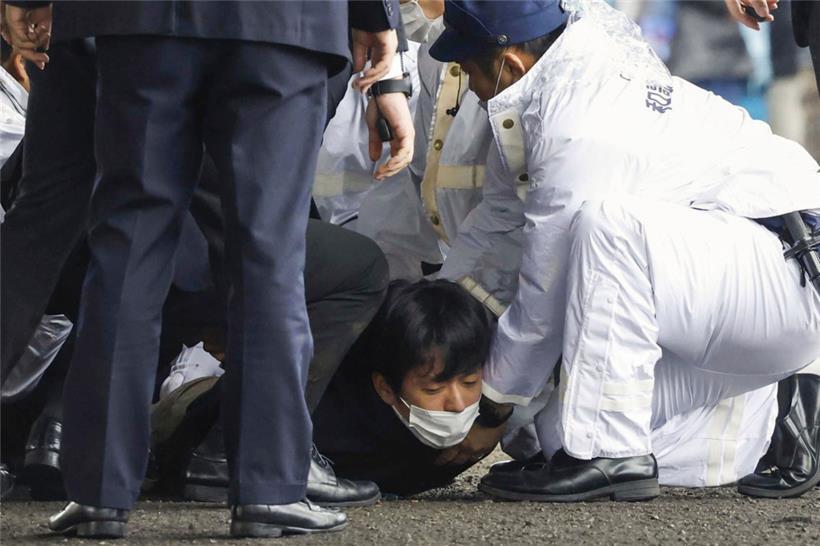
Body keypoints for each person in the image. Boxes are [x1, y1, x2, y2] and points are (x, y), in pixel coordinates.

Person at [4, 0, 413, 539]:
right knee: (268, 251)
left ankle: (98, 490)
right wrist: (377, 19)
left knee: (127, 245)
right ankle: (268, 487)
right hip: (282, 23)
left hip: (138, 19)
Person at [426, 0, 820, 503]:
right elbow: (498, 222)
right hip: (729, 282)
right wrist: (435, 315)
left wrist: (492, 408)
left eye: (469, 69)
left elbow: (544, 292)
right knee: (553, 434)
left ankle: (609, 454)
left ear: (511, 63)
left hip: (789, 266)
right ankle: (780, 415)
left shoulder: (577, 121)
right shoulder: (553, 63)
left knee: (607, 228)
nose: (469, 87)